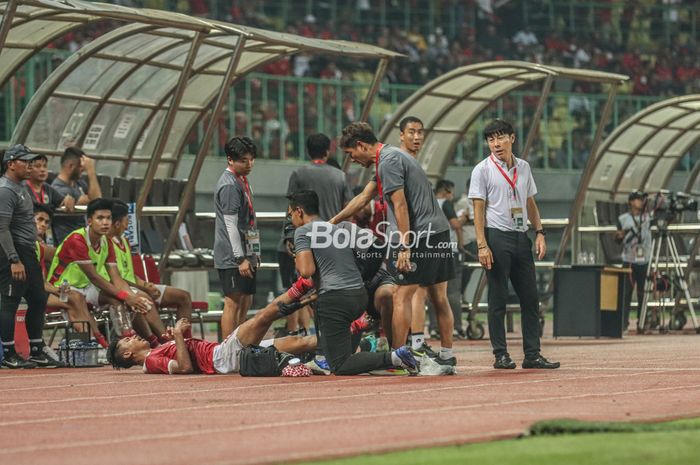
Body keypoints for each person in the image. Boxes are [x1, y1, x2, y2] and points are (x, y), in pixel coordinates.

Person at [333, 122, 456, 368]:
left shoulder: (387, 162)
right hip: (439, 231)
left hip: (420, 235)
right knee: (438, 297)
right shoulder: (391, 157)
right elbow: (363, 197)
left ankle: (398, 359)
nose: (352, 160)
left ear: (360, 145)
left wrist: (404, 246)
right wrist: (333, 221)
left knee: (401, 294)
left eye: (350, 154)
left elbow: (399, 206)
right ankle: (446, 356)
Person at [290, 190, 417, 375]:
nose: (290, 219)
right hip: (358, 295)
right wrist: (362, 277)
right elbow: (379, 246)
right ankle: (352, 352)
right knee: (343, 348)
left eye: (290, 214)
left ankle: (394, 358)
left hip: (336, 298)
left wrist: (298, 258)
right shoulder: (341, 228)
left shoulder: (302, 231)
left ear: (299, 211)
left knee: (341, 365)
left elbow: (306, 271)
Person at [469, 119, 559, 370]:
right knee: (498, 299)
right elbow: (478, 209)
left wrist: (539, 231)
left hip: (521, 237)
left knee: (531, 300)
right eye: (491, 139)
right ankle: (501, 354)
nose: (496, 144)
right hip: (496, 237)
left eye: (500, 138)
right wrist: (482, 244)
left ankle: (532, 354)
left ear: (512, 138)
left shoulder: (524, 167)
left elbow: (529, 202)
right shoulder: (482, 170)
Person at [107, 288, 319, 375]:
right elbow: (184, 368)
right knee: (263, 317)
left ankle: (345, 340)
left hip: (223, 353)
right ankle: (303, 287)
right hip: (222, 358)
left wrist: (175, 340)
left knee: (300, 342)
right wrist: (179, 335)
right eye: (127, 341)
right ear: (128, 354)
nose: (132, 336)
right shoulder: (151, 361)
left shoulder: (156, 351)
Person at [46, 198, 160, 345]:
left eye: (108, 218)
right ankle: (101, 345)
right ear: (89, 221)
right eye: (100, 218)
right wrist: (128, 297)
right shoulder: (77, 239)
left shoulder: (107, 241)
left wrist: (132, 296)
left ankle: (133, 341)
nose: (105, 222)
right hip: (62, 287)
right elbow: (94, 277)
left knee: (119, 299)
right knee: (115, 297)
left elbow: (116, 277)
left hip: (86, 286)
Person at [276, 133, 352, 335]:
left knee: (295, 290)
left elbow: (290, 210)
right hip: (330, 243)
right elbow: (348, 210)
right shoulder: (340, 176)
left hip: (303, 242)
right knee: (325, 291)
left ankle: (295, 335)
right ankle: (325, 335)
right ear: (328, 151)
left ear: (308, 151)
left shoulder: (298, 173)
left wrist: (288, 237)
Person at [0, 145, 63, 368]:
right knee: (11, 301)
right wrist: (13, 260)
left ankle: (36, 349)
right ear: (10, 164)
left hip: (27, 250)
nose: (29, 165)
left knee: (38, 298)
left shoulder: (19, 187)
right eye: (24, 161)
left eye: (30, 161)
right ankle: (8, 353)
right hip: (13, 252)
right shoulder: (6, 190)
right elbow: (2, 228)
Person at [108, 200, 193, 334]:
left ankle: (185, 341)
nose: (128, 225)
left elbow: (129, 273)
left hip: (136, 285)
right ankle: (164, 340)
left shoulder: (124, 241)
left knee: (183, 296)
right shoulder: (106, 244)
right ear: (117, 223)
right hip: (123, 288)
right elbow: (116, 278)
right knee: (145, 300)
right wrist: (144, 288)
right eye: (126, 220)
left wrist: (148, 284)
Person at [34, 203, 108, 348]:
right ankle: (93, 342)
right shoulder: (26, 244)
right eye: (39, 220)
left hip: (39, 289)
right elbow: (35, 281)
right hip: (25, 293)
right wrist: (56, 290)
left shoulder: (40, 246)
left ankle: (95, 341)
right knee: (73, 299)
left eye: (47, 222)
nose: (43, 225)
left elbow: (41, 279)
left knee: (77, 297)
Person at [214, 136, 260, 337]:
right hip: (233, 255)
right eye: (243, 160)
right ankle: (226, 349)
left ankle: (238, 342)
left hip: (246, 250)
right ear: (230, 160)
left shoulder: (241, 179)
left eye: (251, 159)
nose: (249, 164)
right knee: (232, 301)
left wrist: (253, 252)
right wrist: (240, 258)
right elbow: (231, 225)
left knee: (246, 299)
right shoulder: (230, 185)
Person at [429, 179, 468, 339]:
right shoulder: (445, 204)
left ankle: (434, 327)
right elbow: (455, 225)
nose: (452, 195)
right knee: (452, 291)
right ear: (445, 190)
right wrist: (464, 218)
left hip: (430, 252)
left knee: (432, 292)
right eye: (451, 191)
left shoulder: (428, 203)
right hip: (448, 251)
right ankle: (457, 328)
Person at [51, 147, 102, 243]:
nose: (83, 171)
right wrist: (91, 171)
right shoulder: (58, 189)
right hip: (68, 240)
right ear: (71, 166)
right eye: (81, 168)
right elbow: (96, 201)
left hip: (83, 238)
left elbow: (97, 201)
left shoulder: (79, 183)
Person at [616, 190, 651, 331]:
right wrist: (620, 235)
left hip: (644, 260)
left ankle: (642, 323)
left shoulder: (649, 218)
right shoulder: (623, 218)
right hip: (629, 260)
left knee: (643, 293)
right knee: (626, 293)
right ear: (631, 202)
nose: (640, 202)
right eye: (637, 199)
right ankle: (623, 324)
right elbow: (617, 239)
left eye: (642, 200)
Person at [24, 153, 76, 244]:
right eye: (38, 166)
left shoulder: (48, 188)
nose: (42, 170)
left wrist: (68, 199)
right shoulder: (22, 188)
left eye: (45, 166)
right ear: (28, 169)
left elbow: (63, 201)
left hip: (44, 234)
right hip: (25, 235)